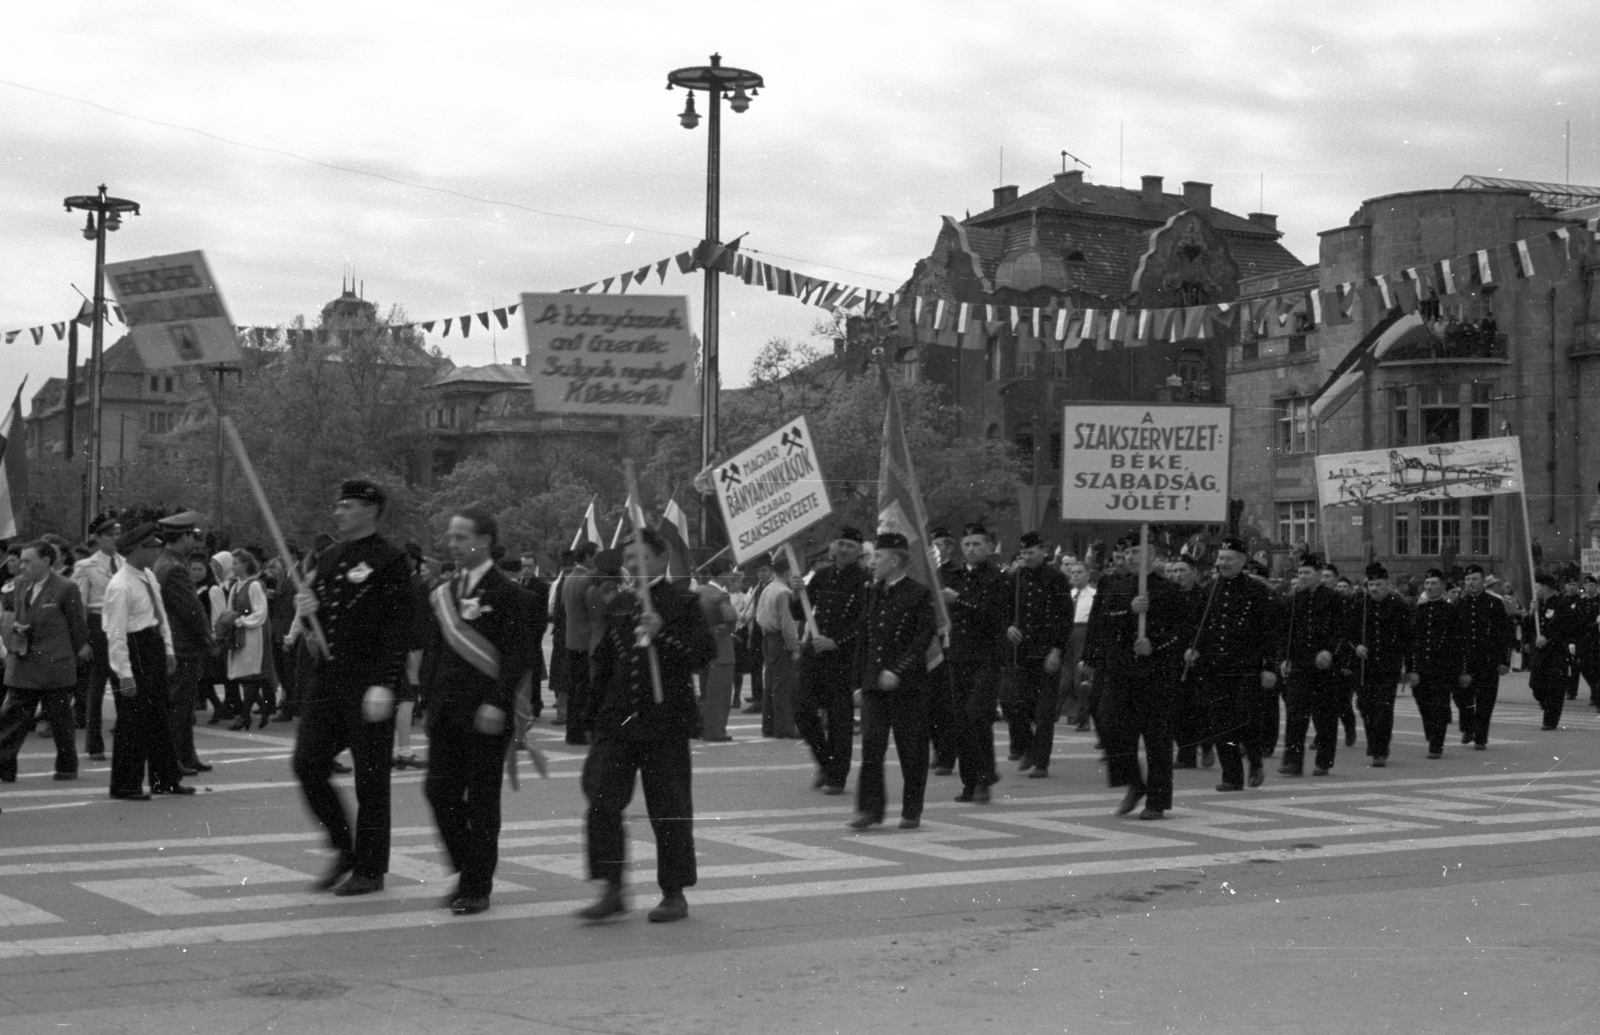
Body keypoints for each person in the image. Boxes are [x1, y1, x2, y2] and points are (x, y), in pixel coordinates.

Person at [578, 527, 716, 923]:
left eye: (640, 557)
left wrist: (663, 634)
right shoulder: (620, 603)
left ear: (661, 558)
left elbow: (702, 654)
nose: (632, 565)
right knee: (602, 799)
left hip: (665, 722)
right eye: (627, 559)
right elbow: (605, 662)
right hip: (619, 721)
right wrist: (592, 715)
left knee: (669, 808)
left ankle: (673, 892)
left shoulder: (683, 601)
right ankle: (611, 887)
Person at [290, 479, 413, 896]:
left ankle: (371, 869)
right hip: (329, 678)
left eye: (347, 506)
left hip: (369, 681)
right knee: (307, 763)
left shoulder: (390, 560)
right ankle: (343, 846)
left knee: (371, 780)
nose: (338, 513)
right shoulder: (330, 557)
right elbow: (319, 616)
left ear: (371, 510)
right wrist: (308, 610)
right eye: (338, 506)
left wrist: (387, 683)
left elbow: (401, 627)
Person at [419, 508, 534, 916]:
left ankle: (476, 886)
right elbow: (435, 652)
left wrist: (498, 702)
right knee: (438, 791)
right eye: (450, 536)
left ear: (484, 541)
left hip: (486, 712)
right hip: (446, 711)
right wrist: (428, 700)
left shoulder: (511, 595)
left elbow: (519, 656)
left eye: (460, 537)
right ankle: (469, 866)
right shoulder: (444, 593)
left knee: (483, 799)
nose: (451, 544)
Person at [1087, 537, 1183, 820]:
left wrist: (1155, 644)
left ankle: (1157, 800)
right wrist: (1129, 609)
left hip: (1156, 672)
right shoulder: (1117, 587)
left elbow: (1181, 631)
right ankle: (1133, 782)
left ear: (1152, 556)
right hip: (1121, 670)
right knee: (1109, 725)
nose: (1130, 556)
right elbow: (1103, 621)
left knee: (1156, 739)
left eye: (1137, 551)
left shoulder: (1168, 589)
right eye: (1127, 552)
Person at [849, 531, 938, 831]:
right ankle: (869, 810)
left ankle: (911, 810)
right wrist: (858, 683)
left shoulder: (918, 593)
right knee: (871, 746)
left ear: (895, 560)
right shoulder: (873, 591)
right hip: (874, 683)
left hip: (908, 685)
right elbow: (865, 640)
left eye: (878, 556)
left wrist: (898, 670)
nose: (873, 562)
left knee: (911, 750)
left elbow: (923, 638)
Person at [103, 523, 194, 799]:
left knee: (159, 717)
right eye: (153, 547)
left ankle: (164, 779)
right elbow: (116, 634)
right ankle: (125, 785)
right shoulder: (120, 585)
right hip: (134, 650)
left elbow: (161, 615)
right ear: (136, 550)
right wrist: (124, 674)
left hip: (152, 646)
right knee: (133, 721)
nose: (157, 552)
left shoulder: (149, 577)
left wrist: (168, 649)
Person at [1183, 537, 1279, 793]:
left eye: (1229, 559)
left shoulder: (1257, 591)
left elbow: (1269, 631)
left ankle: (1255, 761)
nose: (1223, 563)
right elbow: (1199, 625)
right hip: (1215, 666)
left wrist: (1269, 666)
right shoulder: (1210, 589)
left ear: (1242, 561)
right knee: (1220, 722)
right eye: (1221, 558)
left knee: (1245, 719)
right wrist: (1193, 648)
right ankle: (1232, 776)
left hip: (1246, 666)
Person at [0, 540, 89, 783]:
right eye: (21, 560)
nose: (22, 565)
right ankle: (4, 767)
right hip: (23, 661)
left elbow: (78, 626)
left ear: (46, 561)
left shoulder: (66, 587)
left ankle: (67, 768)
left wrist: (78, 652)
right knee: (12, 719)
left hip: (54, 666)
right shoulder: (19, 583)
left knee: (61, 721)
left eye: (28, 561)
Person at [791, 527, 871, 792]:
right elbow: (799, 611)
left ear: (859, 551)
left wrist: (837, 641)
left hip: (844, 657)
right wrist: (796, 592)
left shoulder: (865, 581)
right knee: (801, 710)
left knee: (839, 720)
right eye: (841, 544)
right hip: (815, 652)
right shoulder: (822, 576)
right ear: (834, 547)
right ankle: (825, 762)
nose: (844, 549)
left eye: (850, 545)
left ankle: (837, 777)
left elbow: (865, 623)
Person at [943, 522, 1008, 804]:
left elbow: (993, 615)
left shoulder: (997, 579)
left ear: (989, 547)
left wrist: (959, 600)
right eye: (967, 544)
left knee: (977, 716)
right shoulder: (953, 576)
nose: (971, 549)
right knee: (960, 720)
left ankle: (984, 777)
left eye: (977, 544)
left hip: (987, 657)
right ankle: (970, 782)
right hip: (958, 655)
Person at [151, 513, 215, 774]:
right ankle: (175, 758)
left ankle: (187, 755)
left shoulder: (163, 562)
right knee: (179, 705)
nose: (195, 540)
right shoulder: (175, 568)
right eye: (192, 535)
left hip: (173, 642)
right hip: (182, 644)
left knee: (184, 704)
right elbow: (191, 609)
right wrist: (207, 637)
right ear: (183, 537)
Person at [1003, 531, 1069, 778]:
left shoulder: (1057, 579)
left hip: (1046, 651)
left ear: (1043, 552)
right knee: (1012, 702)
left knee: (1044, 712)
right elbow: (1004, 609)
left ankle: (1041, 762)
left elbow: (1065, 617)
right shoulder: (1016, 577)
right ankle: (1029, 747)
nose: (1027, 557)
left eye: (1031, 552)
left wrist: (1057, 650)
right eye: (1023, 552)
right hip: (1021, 652)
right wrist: (1008, 627)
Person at [1278, 554, 1347, 777]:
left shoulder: (1334, 598)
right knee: (1295, 714)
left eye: (1307, 573)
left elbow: (1342, 630)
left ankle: (1324, 761)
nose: (1302, 577)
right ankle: (1293, 761)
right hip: (1299, 664)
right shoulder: (1294, 599)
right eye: (1300, 573)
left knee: (1324, 716)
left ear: (1318, 574)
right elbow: (1286, 633)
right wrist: (1284, 658)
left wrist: (1330, 651)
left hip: (1325, 667)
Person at [1346, 563, 1412, 766]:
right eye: (1371, 585)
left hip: (1388, 666)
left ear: (1387, 584)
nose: (1374, 588)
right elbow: (1349, 632)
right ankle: (1374, 741)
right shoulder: (1360, 604)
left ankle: (1380, 750)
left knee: (1383, 707)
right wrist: (1356, 647)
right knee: (1365, 706)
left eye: (1378, 584)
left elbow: (1407, 637)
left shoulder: (1398, 605)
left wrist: (1409, 666)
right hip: (1364, 667)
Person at [72, 517, 122, 761]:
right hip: (97, 626)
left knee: (124, 683)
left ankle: (125, 737)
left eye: (118, 534)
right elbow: (79, 605)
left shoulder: (125, 563)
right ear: (99, 538)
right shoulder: (86, 566)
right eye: (110, 534)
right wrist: (82, 641)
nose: (115, 539)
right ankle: (94, 744)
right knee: (96, 687)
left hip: (120, 627)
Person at [1455, 564, 1515, 749]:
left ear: (1482, 582)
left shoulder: (1494, 603)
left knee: (1485, 701)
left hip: (1488, 660)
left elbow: (1505, 634)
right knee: (1462, 697)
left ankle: (1480, 737)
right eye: (1467, 579)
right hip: (1465, 661)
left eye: (1474, 579)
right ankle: (1468, 727)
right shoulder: (1459, 604)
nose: (1470, 582)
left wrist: (1504, 661)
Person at [1404, 568, 1462, 758]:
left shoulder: (1451, 611)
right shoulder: (1418, 610)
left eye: (1434, 583)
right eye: (1427, 583)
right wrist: (1410, 668)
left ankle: (1436, 744)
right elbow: (1411, 641)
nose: (1429, 587)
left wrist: (1460, 669)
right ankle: (1433, 731)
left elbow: (1458, 642)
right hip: (1421, 667)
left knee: (1439, 705)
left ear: (1442, 586)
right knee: (1423, 703)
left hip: (1443, 667)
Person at [1167, 554, 1213, 769]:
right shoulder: (1168, 597)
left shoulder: (1205, 598)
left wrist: (1198, 649)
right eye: (1174, 571)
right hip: (1173, 657)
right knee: (1176, 708)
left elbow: (1209, 628)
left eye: (1182, 570)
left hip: (1199, 658)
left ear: (1194, 573)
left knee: (1200, 706)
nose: (1177, 575)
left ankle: (1206, 743)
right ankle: (1186, 753)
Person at [221, 548, 273, 730]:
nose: (232, 567)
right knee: (241, 675)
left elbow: (261, 613)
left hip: (252, 635)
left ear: (245, 565)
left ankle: (244, 717)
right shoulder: (236, 586)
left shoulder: (254, 585)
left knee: (249, 676)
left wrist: (241, 621)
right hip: (238, 635)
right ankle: (264, 707)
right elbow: (229, 610)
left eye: (235, 563)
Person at [755, 552, 801, 738]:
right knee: (783, 684)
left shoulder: (767, 588)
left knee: (770, 683)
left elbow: (759, 615)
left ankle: (769, 726)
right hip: (780, 639)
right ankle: (784, 728)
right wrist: (794, 647)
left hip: (768, 637)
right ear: (789, 572)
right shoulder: (784, 592)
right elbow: (787, 624)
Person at [1526, 573, 1579, 730]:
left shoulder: (1561, 604)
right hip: (1539, 652)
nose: (1535, 590)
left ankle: (1550, 721)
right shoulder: (1537, 605)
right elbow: (1528, 627)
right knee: (1536, 685)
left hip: (1556, 652)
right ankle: (1546, 703)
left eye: (1536, 587)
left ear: (1544, 587)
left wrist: (1548, 637)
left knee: (1555, 688)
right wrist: (1531, 612)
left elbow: (1566, 627)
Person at [695, 559, 739, 743]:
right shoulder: (721, 595)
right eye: (730, 573)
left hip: (703, 648)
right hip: (721, 649)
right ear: (722, 574)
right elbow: (730, 617)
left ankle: (701, 727)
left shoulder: (699, 591)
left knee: (705, 693)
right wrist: (730, 626)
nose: (731, 577)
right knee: (720, 695)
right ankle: (715, 731)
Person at [561, 541, 599, 745]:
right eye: (595, 555)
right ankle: (583, 732)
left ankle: (573, 731)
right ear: (587, 557)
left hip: (571, 640)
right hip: (586, 642)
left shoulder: (569, 579)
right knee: (585, 690)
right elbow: (595, 612)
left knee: (574, 690)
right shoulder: (588, 580)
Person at [1060, 559, 1097, 731]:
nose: (1075, 575)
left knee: (1080, 679)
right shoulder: (1067, 595)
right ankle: (1060, 713)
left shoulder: (1094, 595)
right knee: (1063, 678)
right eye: (1073, 572)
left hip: (1084, 633)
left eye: (1079, 572)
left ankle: (1083, 718)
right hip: (1067, 633)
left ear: (1088, 575)